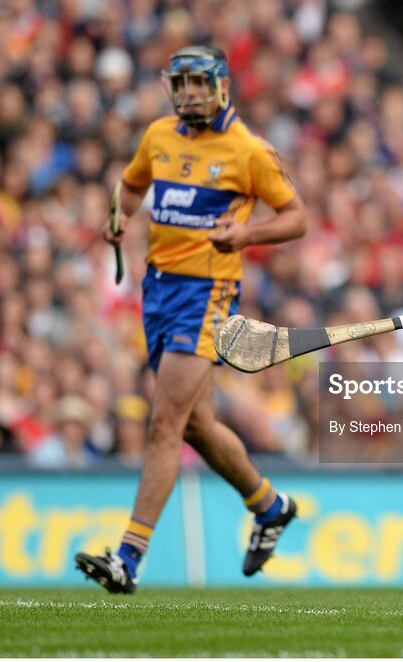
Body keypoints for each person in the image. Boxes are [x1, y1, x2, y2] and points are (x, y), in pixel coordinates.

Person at [75, 46, 308, 593]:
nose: (187, 95)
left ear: (222, 86)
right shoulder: (158, 135)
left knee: (164, 424)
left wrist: (247, 234)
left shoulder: (248, 151)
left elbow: (296, 217)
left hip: (206, 295)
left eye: (197, 84)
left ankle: (128, 558)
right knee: (197, 426)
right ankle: (270, 506)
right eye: (179, 84)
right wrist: (119, 214)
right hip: (157, 291)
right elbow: (131, 185)